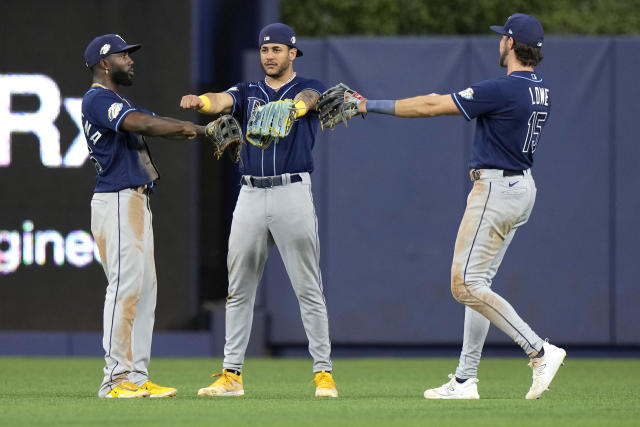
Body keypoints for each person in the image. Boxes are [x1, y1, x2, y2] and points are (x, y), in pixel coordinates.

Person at [353, 13, 565, 399]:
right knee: (478, 284)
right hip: (521, 186)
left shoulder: (506, 89)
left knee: (464, 284)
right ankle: (466, 380)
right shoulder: (541, 89)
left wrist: (370, 105)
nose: (498, 42)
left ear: (511, 44)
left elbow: (431, 105)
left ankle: (539, 351)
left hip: (497, 189)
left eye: (503, 37)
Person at [180, 23, 338, 398]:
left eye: (278, 50)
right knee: (238, 289)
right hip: (250, 194)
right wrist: (201, 101)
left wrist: (294, 108)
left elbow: (315, 97)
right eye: (265, 50)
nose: (270, 56)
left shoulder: (304, 86)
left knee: (308, 289)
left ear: (292, 54)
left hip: (292, 192)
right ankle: (231, 376)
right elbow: (220, 100)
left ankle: (324, 374)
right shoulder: (248, 91)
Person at [82, 34, 204, 398]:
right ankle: (115, 379)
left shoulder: (118, 100)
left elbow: (152, 121)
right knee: (125, 288)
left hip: (133, 201)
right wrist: (198, 129)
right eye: (124, 55)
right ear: (105, 63)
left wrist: (194, 130)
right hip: (117, 199)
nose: (131, 60)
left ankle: (135, 376)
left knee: (144, 290)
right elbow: (145, 125)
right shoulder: (97, 99)